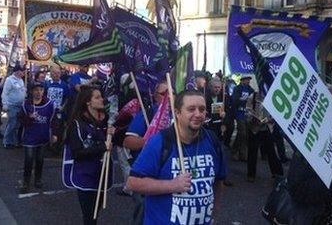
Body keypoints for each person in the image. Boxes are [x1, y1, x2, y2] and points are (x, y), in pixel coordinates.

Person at [127, 90, 226, 225]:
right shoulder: (159, 142)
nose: (198, 114)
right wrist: (172, 185)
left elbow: (218, 182)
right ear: (177, 113)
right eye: (191, 109)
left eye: (202, 109)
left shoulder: (212, 140)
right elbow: (133, 182)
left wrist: (214, 214)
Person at [62, 86, 113, 225]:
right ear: (87, 102)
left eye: (101, 96)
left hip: (100, 175)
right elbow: (77, 153)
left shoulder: (105, 120)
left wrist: (113, 133)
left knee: (96, 214)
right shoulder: (77, 124)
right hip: (85, 175)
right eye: (97, 97)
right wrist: (102, 147)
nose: (102, 99)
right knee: (90, 216)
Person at [123, 81, 168, 225]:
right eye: (164, 94)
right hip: (146, 174)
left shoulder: (180, 115)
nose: (169, 97)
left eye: (172, 94)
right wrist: (151, 142)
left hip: (170, 175)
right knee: (143, 214)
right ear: (155, 97)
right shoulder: (147, 114)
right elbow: (128, 141)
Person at [18, 82, 57, 193]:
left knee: (40, 159)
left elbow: (54, 120)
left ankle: (38, 179)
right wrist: (29, 118)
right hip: (30, 137)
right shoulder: (26, 104)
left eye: (41, 90)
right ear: (31, 91)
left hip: (43, 136)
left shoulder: (50, 104)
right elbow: (20, 120)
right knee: (29, 160)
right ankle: (26, 181)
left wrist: (54, 134)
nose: (38, 92)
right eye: (36, 90)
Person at [245, 92, 283, 182]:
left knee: (271, 152)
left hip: (268, 128)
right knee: (252, 152)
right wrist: (253, 118)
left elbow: (277, 111)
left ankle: (277, 173)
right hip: (254, 129)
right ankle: (251, 175)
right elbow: (247, 111)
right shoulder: (253, 96)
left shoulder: (273, 95)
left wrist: (271, 119)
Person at [2, 64, 26, 149]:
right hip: (12, 105)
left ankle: (14, 142)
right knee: (12, 124)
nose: (23, 72)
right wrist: (4, 104)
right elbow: (5, 93)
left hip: (20, 105)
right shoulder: (9, 80)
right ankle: (7, 141)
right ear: (18, 71)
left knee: (17, 125)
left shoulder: (21, 80)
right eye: (22, 71)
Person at [231, 75, 254, 161]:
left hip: (247, 114)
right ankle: (242, 154)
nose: (248, 81)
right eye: (247, 79)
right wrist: (245, 100)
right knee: (243, 133)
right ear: (242, 80)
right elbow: (235, 100)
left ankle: (236, 151)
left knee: (243, 134)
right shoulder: (237, 89)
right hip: (239, 113)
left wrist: (243, 100)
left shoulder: (251, 90)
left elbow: (252, 101)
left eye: (249, 80)